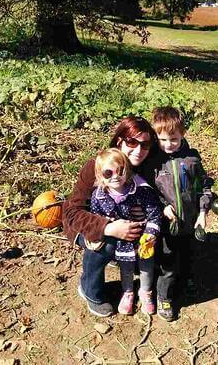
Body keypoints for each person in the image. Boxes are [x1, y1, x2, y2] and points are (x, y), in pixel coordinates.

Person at [62, 116, 158, 317]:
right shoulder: (97, 167)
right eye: (132, 142)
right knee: (106, 243)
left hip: (132, 227)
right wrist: (107, 227)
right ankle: (90, 289)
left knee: (156, 242)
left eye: (145, 144)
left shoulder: (147, 169)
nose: (139, 150)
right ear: (119, 141)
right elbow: (72, 212)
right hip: (88, 225)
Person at [149, 107, 213, 322]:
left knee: (187, 256)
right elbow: (149, 191)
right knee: (167, 262)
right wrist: (163, 206)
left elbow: (203, 187)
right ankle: (164, 296)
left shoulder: (192, 159)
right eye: (163, 139)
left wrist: (203, 211)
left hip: (190, 221)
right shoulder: (154, 162)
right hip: (168, 224)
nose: (168, 144)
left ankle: (185, 282)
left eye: (174, 139)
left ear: (183, 134)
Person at [89, 148, 162, 315]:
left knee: (146, 267)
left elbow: (154, 213)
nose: (115, 176)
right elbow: (96, 217)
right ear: (100, 176)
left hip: (143, 238)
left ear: (126, 170)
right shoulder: (98, 197)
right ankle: (128, 292)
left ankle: (145, 292)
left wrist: (151, 232)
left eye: (119, 170)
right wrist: (109, 226)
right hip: (122, 242)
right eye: (108, 173)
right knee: (126, 269)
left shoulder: (140, 191)